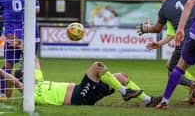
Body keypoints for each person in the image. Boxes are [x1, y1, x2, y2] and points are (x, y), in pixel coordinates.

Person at [0, 34, 162, 107]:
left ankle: (148, 100)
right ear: (24, 80)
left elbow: (34, 59)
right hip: (78, 97)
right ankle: (124, 91)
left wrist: (21, 45)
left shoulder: (39, 80)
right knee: (97, 66)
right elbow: (13, 80)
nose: (32, 72)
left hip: (83, 92)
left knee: (121, 76)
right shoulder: (30, 94)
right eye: (28, 73)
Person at [145, 0, 195, 101]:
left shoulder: (174, 8)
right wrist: (159, 43)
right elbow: (171, 34)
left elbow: (170, 32)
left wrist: (148, 29)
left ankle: (192, 85)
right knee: (175, 68)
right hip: (193, 40)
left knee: (172, 69)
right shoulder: (170, 9)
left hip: (189, 41)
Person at [0, 0, 24, 98]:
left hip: (10, 33)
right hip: (25, 32)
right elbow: (36, 10)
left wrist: (7, 14)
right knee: (29, 63)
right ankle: (29, 93)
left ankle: (2, 92)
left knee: (8, 64)